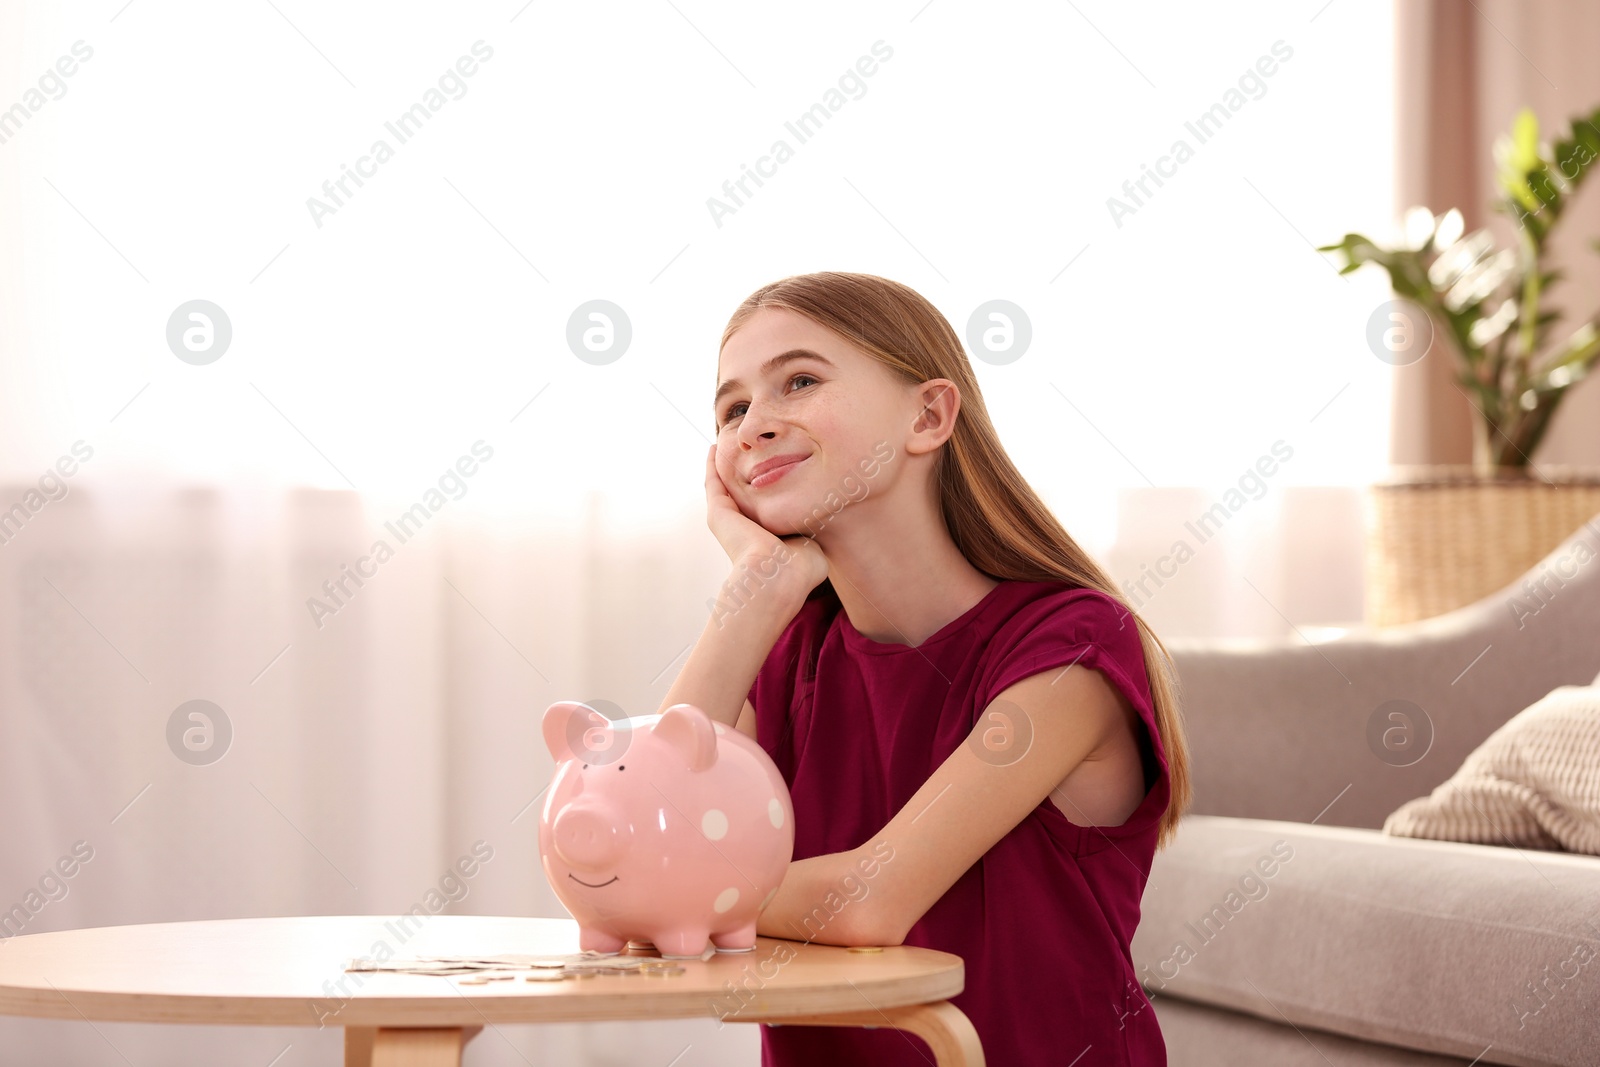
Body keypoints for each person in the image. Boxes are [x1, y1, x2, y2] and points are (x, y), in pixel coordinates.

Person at [658, 271, 1193, 1066]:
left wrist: (686, 893)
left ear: (929, 414)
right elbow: (648, 829)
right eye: (732, 408)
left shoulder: (1072, 645)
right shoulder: (785, 652)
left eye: (797, 381)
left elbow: (869, 900)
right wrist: (755, 591)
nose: (753, 426)